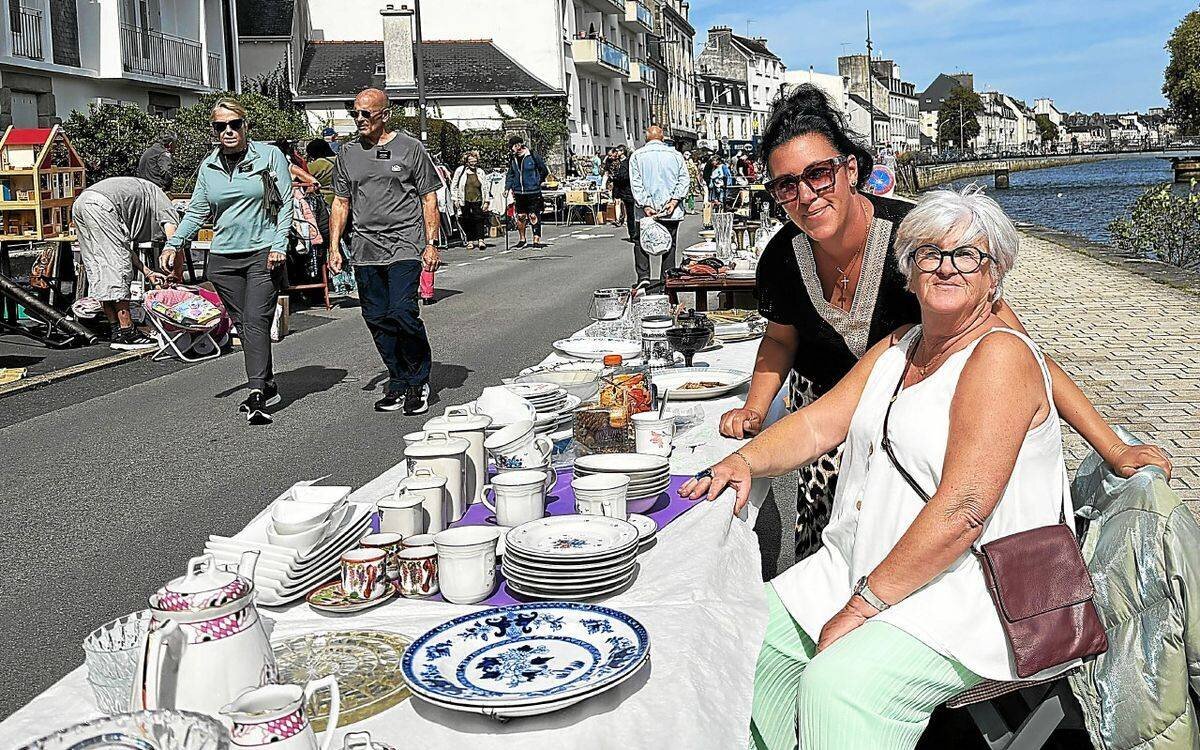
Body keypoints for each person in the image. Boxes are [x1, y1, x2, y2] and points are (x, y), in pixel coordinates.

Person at [684, 188, 1097, 749]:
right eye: (930, 252)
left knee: (842, 686)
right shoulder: (900, 346)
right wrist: (743, 460)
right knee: (742, 636)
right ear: (909, 271)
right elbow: (817, 424)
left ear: (993, 275)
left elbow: (963, 512)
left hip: (972, 589)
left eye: (968, 255)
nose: (947, 266)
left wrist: (861, 608)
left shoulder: (1000, 357)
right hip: (865, 560)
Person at [718, 84, 1170, 559]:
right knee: (829, 553)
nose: (806, 195)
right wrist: (755, 409)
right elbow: (779, 338)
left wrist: (1112, 448)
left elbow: (1022, 351)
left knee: (912, 553)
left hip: (915, 424)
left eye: (819, 174)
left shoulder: (915, 244)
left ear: (850, 170)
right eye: (787, 185)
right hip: (824, 420)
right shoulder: (780, 258)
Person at [165, 98, 293, 425]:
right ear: (214, 130)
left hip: (264, 252)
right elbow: (196, 211)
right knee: (245, 325)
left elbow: (284, 204)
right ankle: (268, 382)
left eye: (234, 124)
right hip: (223, 259)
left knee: (255, 320)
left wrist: (280, 243)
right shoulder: (209, 166)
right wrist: (173, 244)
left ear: (245, 125)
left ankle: (256, 394)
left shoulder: (268, 157)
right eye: (220, 126)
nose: (228, 131)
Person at [328, 87, 441, 415]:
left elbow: (428, 197)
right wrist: (334, 247)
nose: (359, 119)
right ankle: (398, 377)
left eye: (366, 113)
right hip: (365, 248)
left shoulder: (410, 148)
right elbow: (341, 201)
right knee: (376, 317)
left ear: (385, 115)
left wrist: (431, 244)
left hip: (405, 244)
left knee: (402, 313)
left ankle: (418, 379)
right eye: (355, 114)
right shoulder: (347, 154)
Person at [73, 177, 177, 350]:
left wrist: (148, 272)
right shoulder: (163, 200)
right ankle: (128, 332)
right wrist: (175, 273)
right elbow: (174, 238)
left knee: (100, 268)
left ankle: (116, 331)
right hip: (102, 206)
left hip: (81, 203)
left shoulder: (142, 193)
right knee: (117, 269)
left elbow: (123, 249)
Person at [629, 125, 689, 287]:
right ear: (662, 138)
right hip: (670, 209)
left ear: (646, 138)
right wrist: (674, 201)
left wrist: (645, 204)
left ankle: (644, 276)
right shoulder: (676, 155)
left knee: (641, 241)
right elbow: (684, 180)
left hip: (645, 211)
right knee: (669, 241)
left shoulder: (637, 156)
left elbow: (636, 183)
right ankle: (667, 277)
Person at [505, 135, 548, 249]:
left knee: (533, 215)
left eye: (512, 146)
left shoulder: (532, 155)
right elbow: (511, 174)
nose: (511, 149)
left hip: (533, 191)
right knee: (521, 216)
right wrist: (507, 188)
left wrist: (537, 182)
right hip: (519, 192)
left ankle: (536, 239)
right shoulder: (513, 158)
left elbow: (544, 170)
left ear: (518, 145)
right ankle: (522, 239)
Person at [451, 150, 493, 250]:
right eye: (471, 161)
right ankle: (470, 241)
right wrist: (455, 199)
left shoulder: (480, 172)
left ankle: (481, 240)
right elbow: (454, 185)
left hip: (478, 199)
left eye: (475, 161)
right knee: (467, 220)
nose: (473, 164)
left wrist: (486, 201)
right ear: (466, 162)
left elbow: (486, 187)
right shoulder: (460, 171)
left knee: (479, 219)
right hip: (464, 200)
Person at [608, 145, 636, 243]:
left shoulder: (627, 162)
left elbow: (625, 176)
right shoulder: (617, 162)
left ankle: (633, 234)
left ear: (622, 151)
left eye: (618, 151)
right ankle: (632, 233)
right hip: (622, 191)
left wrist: (616, 177)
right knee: (629, 212)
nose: (616, 154)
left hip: (628, 191)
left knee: (631, 214)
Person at [305, 138, 337, 205]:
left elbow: (303, 174)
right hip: (341, 199)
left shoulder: (319, 164)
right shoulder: (339, 160)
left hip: (325, 201)